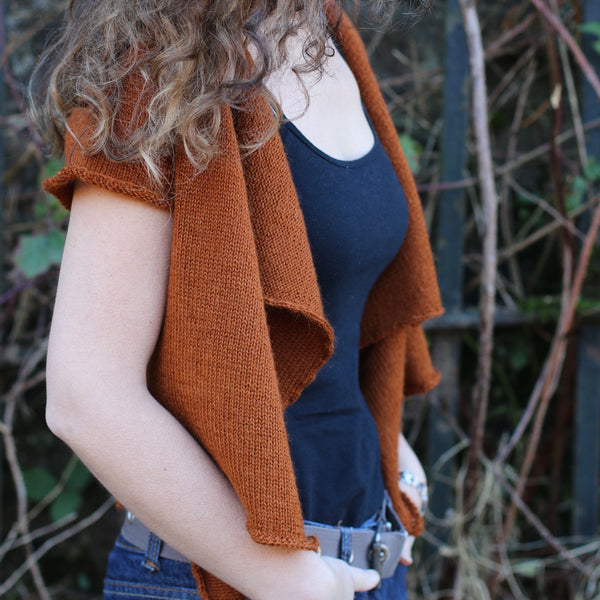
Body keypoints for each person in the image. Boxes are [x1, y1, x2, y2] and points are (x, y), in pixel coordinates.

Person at [30, 1, 442, 599]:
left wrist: (395, 457)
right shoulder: (156, 64)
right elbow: (86, 397)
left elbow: (343, 296)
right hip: (216, 578)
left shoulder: (322, 31)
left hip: (363, 562)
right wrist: (283, 577)